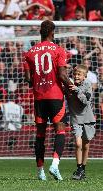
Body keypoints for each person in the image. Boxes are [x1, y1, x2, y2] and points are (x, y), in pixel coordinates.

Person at [23, 20, 73, 181]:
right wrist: (72, 87)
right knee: (60, 130)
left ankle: (40, 172)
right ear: (53, 32)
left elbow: (28, 79)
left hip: (39, 97)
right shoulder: (59, 50)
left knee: (40, 135)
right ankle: (55, 165)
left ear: (40, 32)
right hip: (55, 95)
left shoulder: (30, 52)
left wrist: (40, 80)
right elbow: (62, 75)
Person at [65, 64, 96, 180]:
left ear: (84, 76)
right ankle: (78, 168)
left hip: (88, 118)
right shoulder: (69, 84)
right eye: (75, 74)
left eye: (79, 74)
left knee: (86, 146)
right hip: (75, 118)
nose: (77, 76)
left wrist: (77, 90)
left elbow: (85, 101)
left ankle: (83, 168)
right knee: (78, 143)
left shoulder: (87, 85)